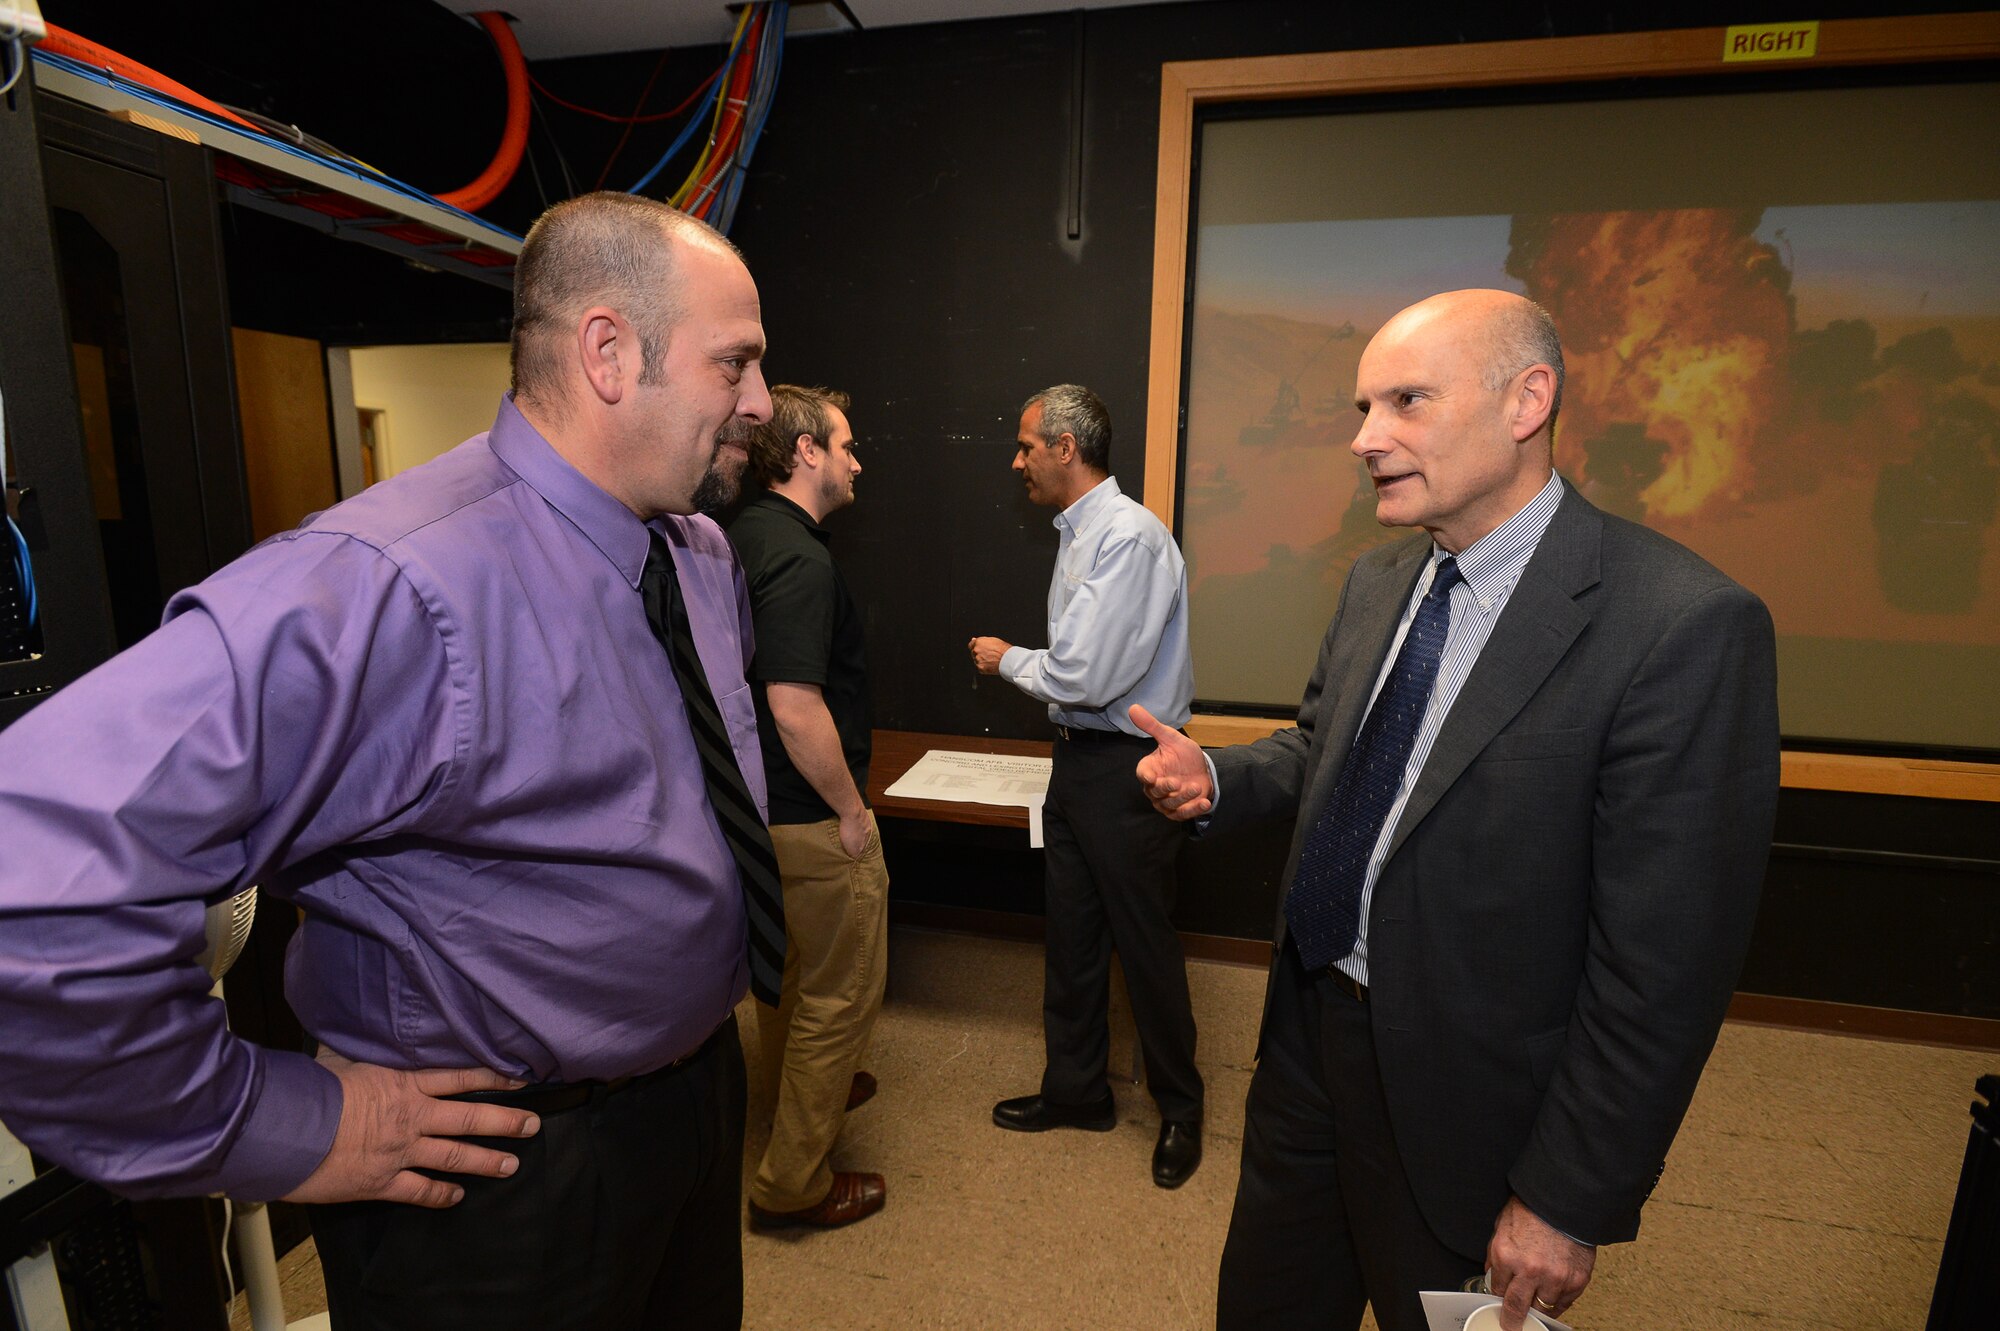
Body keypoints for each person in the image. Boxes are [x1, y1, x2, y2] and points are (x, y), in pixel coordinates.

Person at [0, 192, 781, 1329]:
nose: (760, 402)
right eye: (736, 365)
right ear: (608, 351)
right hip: (499, 1174)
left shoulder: (698, 556)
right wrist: (271, 1120)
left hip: (697, 1102)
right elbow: (31, 879)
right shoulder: (387, 587)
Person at [1134, 290, 1780, 1331]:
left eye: (1404, 401)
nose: (1363, 437)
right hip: (1306, 1045)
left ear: (1526, 401)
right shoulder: (1377, 580)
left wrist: (1567, 1195)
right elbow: (1328, 750)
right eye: (1360, 406)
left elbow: (1661, 970)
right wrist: (1218, 778)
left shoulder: (1680, 627)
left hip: (1470, 1107)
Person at [969, 384, 1204, 1188]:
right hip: (1077, 761)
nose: (1019, 460)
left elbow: (1085, 673)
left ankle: (1181, 1108)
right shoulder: (1082, 533)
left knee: (1144, 945)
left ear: (1067, 447)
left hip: (1125, 768)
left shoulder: (1128, 538)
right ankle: (1076, 1091)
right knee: (1072, 938)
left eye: (1028, 444)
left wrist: (1008, 659)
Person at [726, 384, 891, 1232]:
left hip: (755, 815)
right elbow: (794, 703)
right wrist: (851, 811)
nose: (857, 461)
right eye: (847, 444)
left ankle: (796, 1101)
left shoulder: (742, 535)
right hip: (809, 816)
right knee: (840, 995)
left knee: (786, 984)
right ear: (805, 452)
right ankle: (792, 1181)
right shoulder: (800, 557)